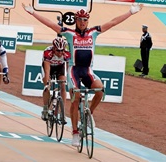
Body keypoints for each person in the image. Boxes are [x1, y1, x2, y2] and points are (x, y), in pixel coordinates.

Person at [22, 3, 143, 147]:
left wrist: (130, 12)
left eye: (84, 20)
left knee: (100, 90)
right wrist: (33, 13)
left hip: (87, 70)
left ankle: (89, 113)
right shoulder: (69, 33)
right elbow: (50, 24)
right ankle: (74, 132)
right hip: (74, 71)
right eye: (79, 19)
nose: (82, 22)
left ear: (88, 21)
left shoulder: (94, 32)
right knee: (76, 98)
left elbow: (113, 22)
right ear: (75, 20)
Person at [41, 37, 71, 121]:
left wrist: (70, 80)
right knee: (47, 86)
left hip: (59, 67)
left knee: (63, 86)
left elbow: (69, 69)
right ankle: (45, 109)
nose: (60, 53)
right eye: (58, 50)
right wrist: (47, 81)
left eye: (62, 50)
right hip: (48, 67)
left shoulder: (67, 53)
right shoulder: (48, 52)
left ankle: (62, 112)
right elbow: (47, 71)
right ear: (54, 48)